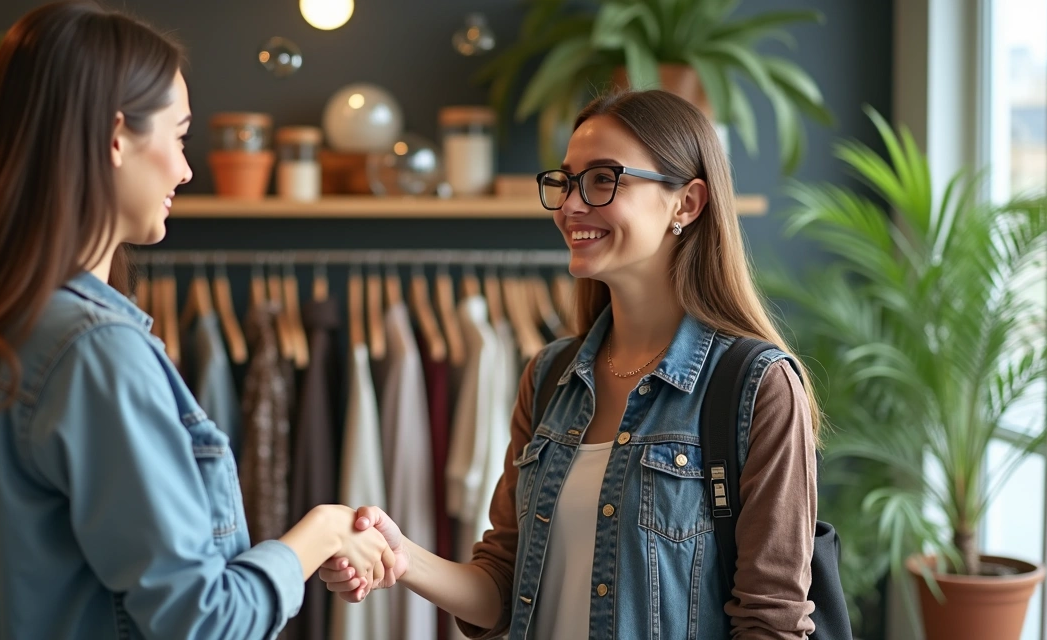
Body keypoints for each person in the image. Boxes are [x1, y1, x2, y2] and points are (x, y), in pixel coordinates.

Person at [0, 2, 392, 638]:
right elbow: (202, 621)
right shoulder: (93, 352)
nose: (185, 168)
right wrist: (319, 533)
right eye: (179, 136)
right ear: (116, 136)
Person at [321, 89, 821, 639]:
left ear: (688, 202)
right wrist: (402, 556)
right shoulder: (549, 378)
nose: (570, 205)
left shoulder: (757, 387)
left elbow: (771, 622)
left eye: (603, 179)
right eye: (565, 181)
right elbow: (502, 589)